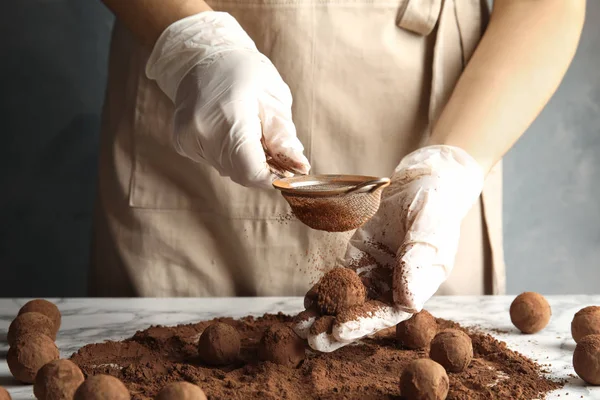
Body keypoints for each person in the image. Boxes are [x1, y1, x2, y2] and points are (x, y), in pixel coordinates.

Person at [94, 0, 585, 350]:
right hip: (192, 95)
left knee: (414, 325)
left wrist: (451, 163)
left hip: (453, 108)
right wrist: (195, 45)